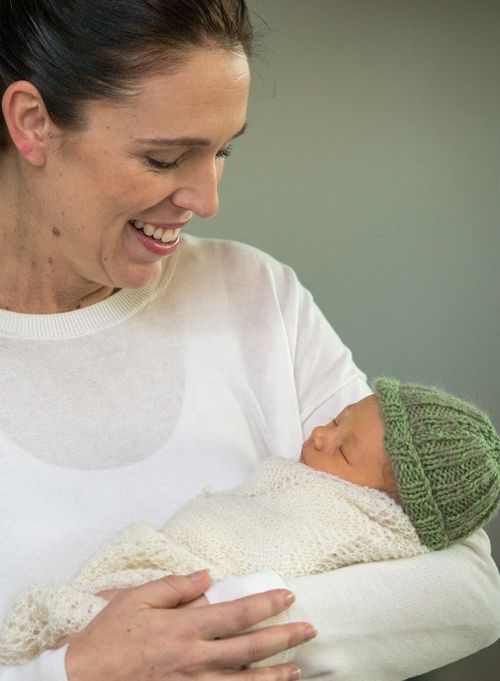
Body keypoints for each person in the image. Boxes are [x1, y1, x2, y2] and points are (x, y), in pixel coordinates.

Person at [0, 1, 499, 680]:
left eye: (222, 150)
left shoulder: (255, 295)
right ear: (33, 124)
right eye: (166, 156)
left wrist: (202, 639)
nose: (206, 199)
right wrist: (74, 670)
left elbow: (467, 589)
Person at [2, 378, 499, 667]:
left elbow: (475, 594)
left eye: (345, 450)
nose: (323, 436)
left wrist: (205, 610)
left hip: (187, 586)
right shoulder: (354, 456)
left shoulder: (355, 522)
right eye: (340, 417)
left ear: (392, 505)